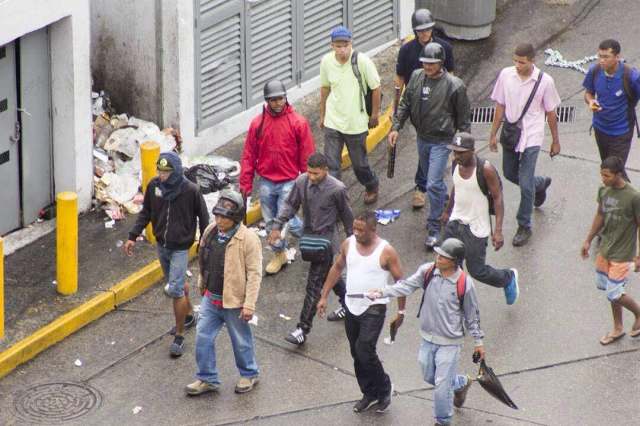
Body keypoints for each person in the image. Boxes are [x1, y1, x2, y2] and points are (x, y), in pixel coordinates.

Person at [368, 238, 485, 426]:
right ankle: (461, 383)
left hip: (450, 342)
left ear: (455, 261)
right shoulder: (428, 271)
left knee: (441, 386)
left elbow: (472, 316)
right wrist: (382, 293)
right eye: (438, 254)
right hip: (427, 338)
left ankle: (443, 420)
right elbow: (406, 286)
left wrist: (479, 342)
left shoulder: (464, 283)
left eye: (444, 256)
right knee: (429, 376)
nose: (438, 258)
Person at [317, 211, 406, 413]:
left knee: (365, 350)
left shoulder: (386, 251)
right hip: (351, 305)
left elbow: (401, 282)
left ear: (373, 229)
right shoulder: (348, 244)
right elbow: (337, 267)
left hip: (374, 307)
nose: (356, 233)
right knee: (356, 352)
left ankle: (384, 388)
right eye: (354, 228)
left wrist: (401, 312)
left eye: (361, 230)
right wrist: (323, 296)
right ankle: (369, 392)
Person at [124, 152, 209, 358]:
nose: (162, 176)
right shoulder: (154, 187)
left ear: (176, 171)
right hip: (162, 245)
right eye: (160, 171)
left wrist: (205, 244)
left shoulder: (191, 190)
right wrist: (133, 236)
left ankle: (179, 335)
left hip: (181, 247)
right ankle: (188, 316)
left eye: (166, 172)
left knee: (175, 291)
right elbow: (145, 212)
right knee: (176, 283)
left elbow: (204, 218)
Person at [388, 42, 471, 249]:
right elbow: (405, 103)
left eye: (432, 63)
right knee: (434, 182)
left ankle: (434, 227)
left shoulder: (455, 85)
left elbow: (464, 122)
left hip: (442, 141)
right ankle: (447, 204)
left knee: (432, 183)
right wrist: (396, 127)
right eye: (425, 62)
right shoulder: (415, 77)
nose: (427, 67)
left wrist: (460, 151)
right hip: (422, 138)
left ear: (441, 63)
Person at [268, 153, 354, 345]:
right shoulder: (301, 182)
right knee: (329, 276)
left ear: (325, 170)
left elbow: (348, 217)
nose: (311, 177)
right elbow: (290, 205)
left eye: (315, 173)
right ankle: (348, 304)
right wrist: (276, 226)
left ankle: (302, 329)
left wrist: (353, 244)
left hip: (326, 242)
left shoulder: (337, 189)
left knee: (314, 284)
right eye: (309, 172)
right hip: (309, 239)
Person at [185, 190, 262, 395]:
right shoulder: (210, 231)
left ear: (235, 218)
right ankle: (207, 378)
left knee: (240, 340)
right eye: (217, 215)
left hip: (234, 302)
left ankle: (249, 374)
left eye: (223, 217)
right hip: (211, 299)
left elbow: (255, 274)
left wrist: (249, 305)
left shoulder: (249, 239)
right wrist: (203, 284)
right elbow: (203, 259)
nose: (218, 220)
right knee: (202, 336)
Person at [489, 43, 561, 247]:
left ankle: (524, 225)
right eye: (515, 61)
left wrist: (555, 141)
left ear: (532, 61)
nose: (517, 65)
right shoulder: (505, 75)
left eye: (522, 62)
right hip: (512, 133)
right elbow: (500, 105)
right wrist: (493, 134)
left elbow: (551, 113)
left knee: (525, 182)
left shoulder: (545, 82)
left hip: (532, 136)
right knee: (510, 173)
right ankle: (540, 184)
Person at [240, 79, 315, 275]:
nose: (277, 103)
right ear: (267, 101)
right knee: (275, 220)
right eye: (273, 100)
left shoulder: (298, 123)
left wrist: (308, 183)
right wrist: (245, 184)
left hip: (290, 181)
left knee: (280, 221)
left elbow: (307, 155)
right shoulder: (257, 125)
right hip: (266, 182)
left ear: (285, 98)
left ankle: (311, 240)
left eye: (280, 98)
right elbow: (249, 155)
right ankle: (281, 252)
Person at [441, 132, 519, 304]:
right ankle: (455, 300)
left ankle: (507, 278)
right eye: (455, 152)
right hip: (455, 222)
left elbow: (498, 198)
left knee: (477, 271)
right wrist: (447, 211)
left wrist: (498, 231)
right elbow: (457, 187)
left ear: (472, 151)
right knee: (448, 262)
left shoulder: (485, 169)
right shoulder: (455, 164)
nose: (457, 156)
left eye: (461, 152)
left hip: (476, 227)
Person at [394, 8, 455, 209]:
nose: (424, 34)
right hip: (416, 108)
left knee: (431, 150)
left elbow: (452, 79)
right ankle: (430, 186)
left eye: (427, 29)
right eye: (420, 31)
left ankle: (423, 187)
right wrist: (396, 112)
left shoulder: (444, 47)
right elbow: (400, 78)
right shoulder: (406, 50)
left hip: (438, 109)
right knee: (424, 149)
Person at [581, 156, 640, 346]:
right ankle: (618, 327)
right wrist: (588, 239)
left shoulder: (633, 196)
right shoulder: (603, 190)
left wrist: (639, 255)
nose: (603, 179)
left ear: (618, 174)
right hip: (606, 248)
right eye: (601, 174)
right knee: (607, 287)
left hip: (624, 253)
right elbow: (600, 214)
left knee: (614, 292)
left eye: (606, 175)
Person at [320, 25, 381, 204]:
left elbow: (376, 88)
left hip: (356, 124)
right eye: (338, 46)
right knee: (332, 167)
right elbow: (325, 88)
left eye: (345, 45)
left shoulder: (362, 61)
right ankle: (337, 201)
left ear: (351, 43)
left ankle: (371, 184)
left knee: (359, 165)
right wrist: (322, 114)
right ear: (332, 46)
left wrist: (375, 114)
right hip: (333, 122)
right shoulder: (326, 61)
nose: (342, 49)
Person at [583, 39, 640, 180]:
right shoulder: (595, 71)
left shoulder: (631, 76)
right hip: (600, 129)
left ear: (617, 57)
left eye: (606, 57)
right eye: (600, 56)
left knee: (612, 172)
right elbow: (588, 92)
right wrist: (591, 101)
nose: (602, 60)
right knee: (609, 170)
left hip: (621, 132)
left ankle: (629, 200)